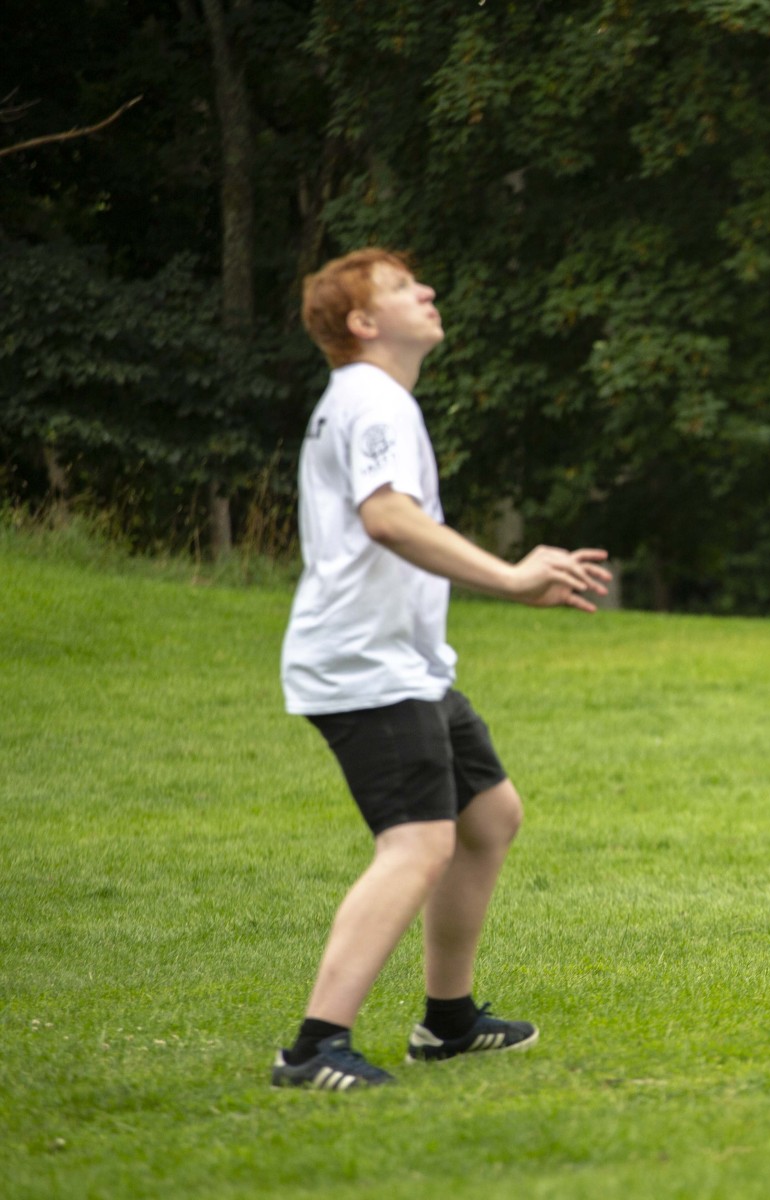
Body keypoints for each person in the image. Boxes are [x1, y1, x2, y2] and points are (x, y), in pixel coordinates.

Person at [273, 248, 612, 1090]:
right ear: (363, 322)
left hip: (404, 664)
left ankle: (449, 1022)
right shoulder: (375, 398)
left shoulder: (371, 398)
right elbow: (388, 517)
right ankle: (314, 1046)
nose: (426, 290)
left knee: (488, 815)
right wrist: (510, 578)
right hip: (366, 665)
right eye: (401, 288)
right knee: (418, 843)